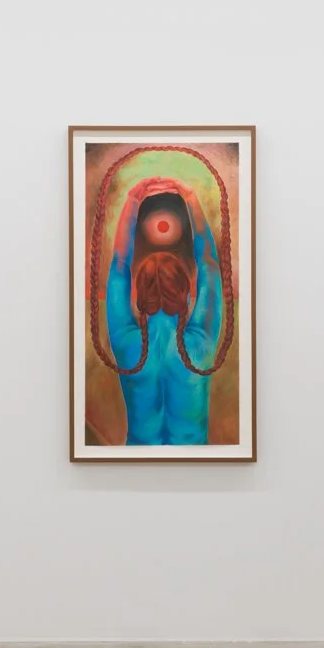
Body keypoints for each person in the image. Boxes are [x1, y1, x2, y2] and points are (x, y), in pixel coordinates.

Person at [105, 176, 223, 446]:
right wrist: (191, 199)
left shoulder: (126, 343)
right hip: (197, 464)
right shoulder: (201, 343)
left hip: (135, 462)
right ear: (187, 295)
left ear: (138, 297)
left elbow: (120, 265)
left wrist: (133, 199)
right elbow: (208, 264)